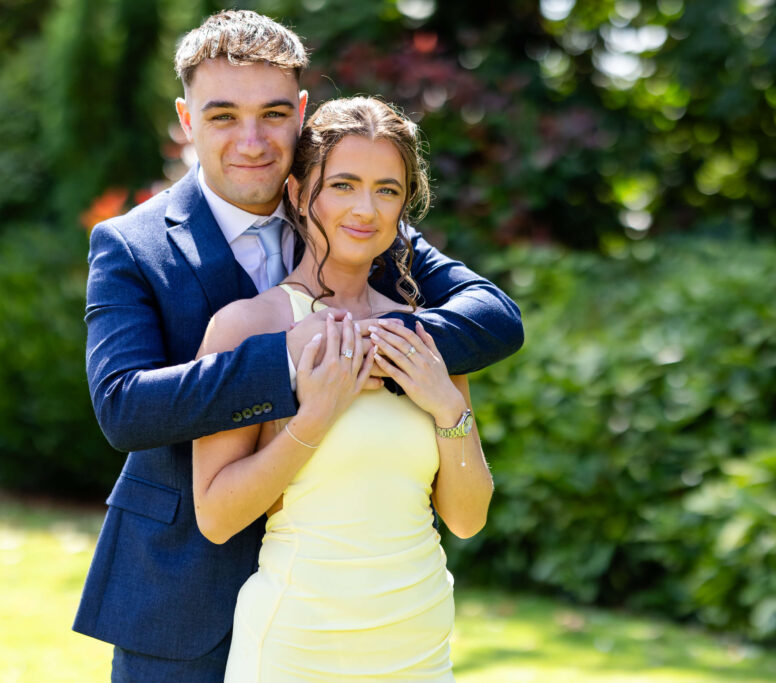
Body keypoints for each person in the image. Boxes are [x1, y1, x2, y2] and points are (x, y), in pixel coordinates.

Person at [73, 10, 522, 682]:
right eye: (224, 116)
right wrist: (291, 360)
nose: (252, 140)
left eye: (274, 114)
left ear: (302, 113)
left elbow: (495, 317)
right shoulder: (132, 245)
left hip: (357, 602)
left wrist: (374, 346)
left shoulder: (355, 214)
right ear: (188, 119)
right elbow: (122, 407)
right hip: (182, 589)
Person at [193, 95, 492, 681]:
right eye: (343, 185)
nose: (365, 209)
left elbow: (467, 518)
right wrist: (314, 417)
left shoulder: (424, 334)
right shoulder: (248, 326)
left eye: (387, 190)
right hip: (297, 649)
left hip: (419, 648)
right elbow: (218, 516)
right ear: (299, 192)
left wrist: (446, 405)